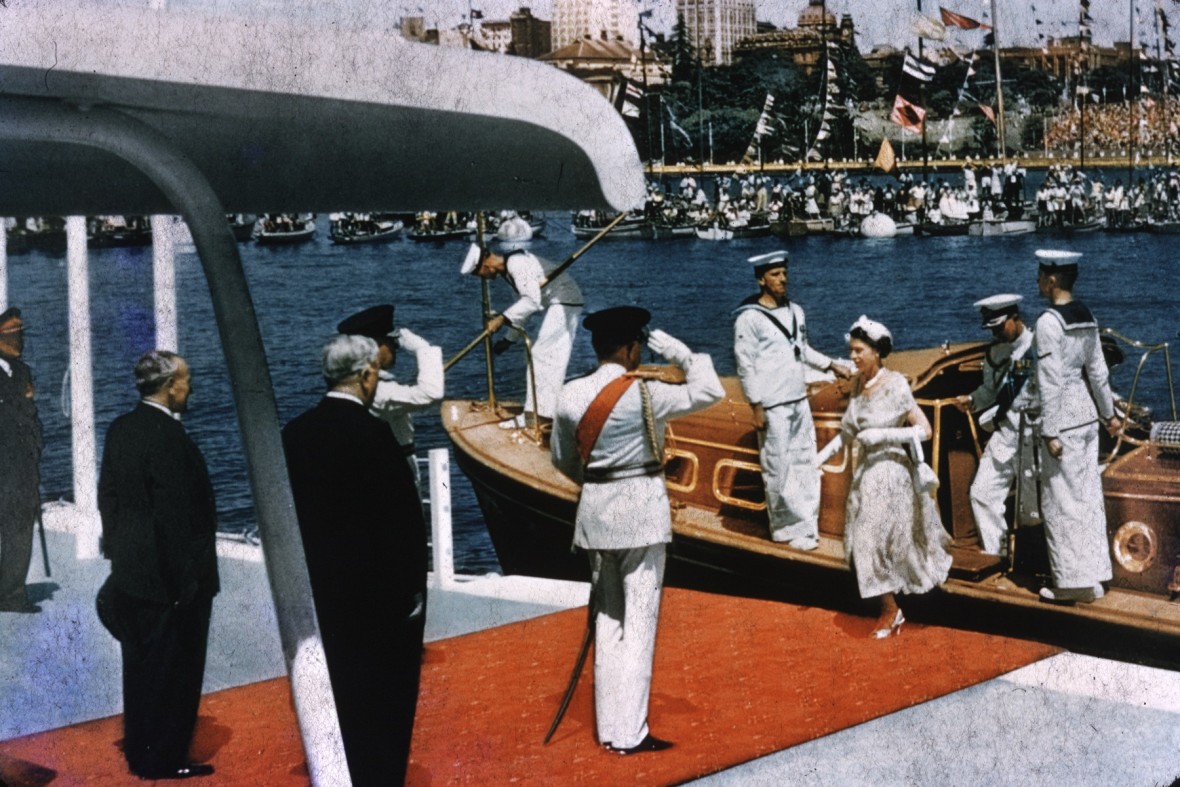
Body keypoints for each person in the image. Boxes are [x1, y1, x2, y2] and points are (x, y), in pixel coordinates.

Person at [550, 307, 723, 755]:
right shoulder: (646, 395)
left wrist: (597, 484)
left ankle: (610, 729)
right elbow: (710, 389)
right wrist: (684, 354)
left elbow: (562, 460)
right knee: (639, 626)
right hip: (642, 517)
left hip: (596, 518)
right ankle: (632, 732)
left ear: (596, 347)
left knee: (608, 622)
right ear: (631, 350)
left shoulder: (569, 395)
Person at [282, 334, 428, 784]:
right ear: (366, 376)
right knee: (382, 702)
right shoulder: (374, 433)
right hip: (376, 597)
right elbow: (403, 523)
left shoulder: (294, 433)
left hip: (319, 589)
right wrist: (412, 592)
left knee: (334, 689)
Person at [97, 350, 217, 780]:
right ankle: (164, 759)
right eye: (186, 380)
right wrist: (185, 586)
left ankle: (141, 750)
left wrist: (119, 555)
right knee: (175, 671)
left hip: (133, 575)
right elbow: (175, 517)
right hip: (172, 583)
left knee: (141, 668)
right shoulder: (168, 437)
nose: (191, 387)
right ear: (169, 387)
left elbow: (108, 497)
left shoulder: (122, 428)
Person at [816, 316, 952, 638]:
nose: (853, 357)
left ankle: (891, 610)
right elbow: (847, 432)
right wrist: (817, 459)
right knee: (865, 543)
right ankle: (891, 606)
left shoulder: (896, 385)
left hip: (892, 473)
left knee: (871, 540)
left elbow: (925, 430)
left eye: (859, 350)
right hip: (865, 474)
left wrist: (882, 435)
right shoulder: (857, 385)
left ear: (877, 352)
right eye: (850, 351)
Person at [733, 251, 850, 550]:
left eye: (784, 272)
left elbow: (803, 349)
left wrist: (831, 365)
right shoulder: (749, 319)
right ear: (761, 279)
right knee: (779, 467)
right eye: (775, 274)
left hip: (798, 399)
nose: (783, 279)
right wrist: (755, 405)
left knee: (804, 463)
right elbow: (745, 365)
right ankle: (785, 529)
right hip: (772, 405)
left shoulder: (796, 311)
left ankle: (807, 526)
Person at [1033, 250, 1121, 605]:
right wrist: (1109, 414)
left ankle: (1071, 583)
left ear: (1052, 280)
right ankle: (1095, 575)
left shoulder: (1048, 323)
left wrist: (1050, 430)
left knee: (1062, 501)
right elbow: (1098, 372)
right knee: (1088, 498)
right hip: (1086, 416)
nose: (1038, 281)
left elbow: (1050, 381)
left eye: (1040, 276)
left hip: (1063, 422)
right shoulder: (1086, 316)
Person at [461, 218, 583, 428]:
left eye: (478, 273)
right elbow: (523, 308)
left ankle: (536, 417)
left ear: (486, 263)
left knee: (542, 357)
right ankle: (537, 414)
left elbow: (532, 302)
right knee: (541, 358)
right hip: (558, 302)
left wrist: (501, 319)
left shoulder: (517, 264)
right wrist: (509, 339)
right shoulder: (509, 272)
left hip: (564, 301)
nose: (481, 278)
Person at [953, 294, 1038, 557]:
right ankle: (998, 554)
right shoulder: (996, 353)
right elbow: (991, 391)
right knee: (982, 494)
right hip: (1006, 435)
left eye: (999, 327)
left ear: (1015, 318)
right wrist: (972, 400)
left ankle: (1032, 562)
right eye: (991, 329)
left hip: (1035, 439)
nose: (996, 333)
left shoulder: (1040, 348)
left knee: (1034, 511)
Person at [336, 303, 444, 481]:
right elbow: (431, 393)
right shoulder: (379, 390)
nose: (396, 349)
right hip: (394, 467)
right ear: (376, 347)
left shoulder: (349, 381)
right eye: (392, 343)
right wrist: (423, 348)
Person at [0, 307, 43, 614]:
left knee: (20, 529)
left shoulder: (23, 371)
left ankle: (11, 593)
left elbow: (31, 418)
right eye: (12, 335)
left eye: (20, 334)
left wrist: (36, 447)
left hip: (23, 467)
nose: (19, 340)